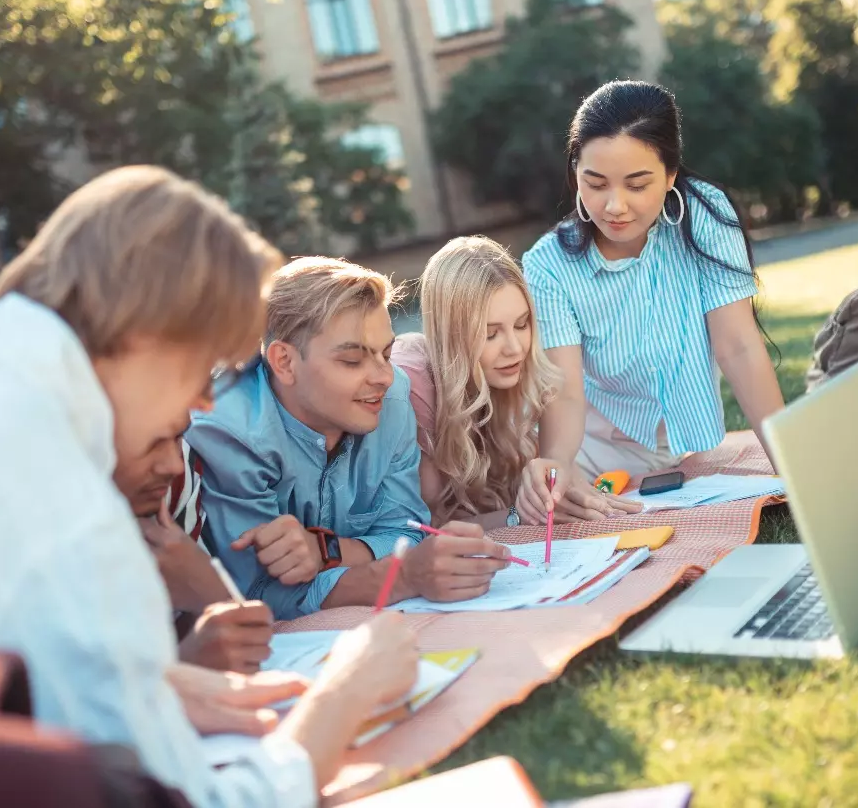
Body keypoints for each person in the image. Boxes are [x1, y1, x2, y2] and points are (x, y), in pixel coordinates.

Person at [0, 165, 420, 808]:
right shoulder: (78, 523)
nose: (200, 405)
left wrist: (159, 688)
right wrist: (345, 692)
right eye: (201, 369)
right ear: (150, 337)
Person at [517, 80, 786, 526]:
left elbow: (737, 346)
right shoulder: (548, 265)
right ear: (575, 174)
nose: (615, 206)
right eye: (595, 183)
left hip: (683, 444)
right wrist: (560, 463)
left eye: (638, 184)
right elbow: (563, 388)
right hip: (590, 446)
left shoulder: (707, 215)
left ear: (671, 174)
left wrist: (791, 464)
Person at [187, 257, 514, 620]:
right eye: (353, 361)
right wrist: (401, 576)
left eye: (386, 354)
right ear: (284, 362)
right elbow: (259, 593)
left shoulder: (390, 398)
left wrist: (325, 551)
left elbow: (406, 532)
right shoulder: (229, 431)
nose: (384, 377)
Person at [391, 236, 561, 527]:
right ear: (452, 336)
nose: (515, 348)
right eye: (490, 333)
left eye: (522, 325)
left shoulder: (508, 379)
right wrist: (518, 517)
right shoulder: (411, 387)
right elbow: (421, 530)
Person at [117, 427, 274, 675]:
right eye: (150, 444)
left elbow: (234, 643)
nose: (173, 465)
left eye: (178, 435)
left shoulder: (176, 478)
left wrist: (207, 589)